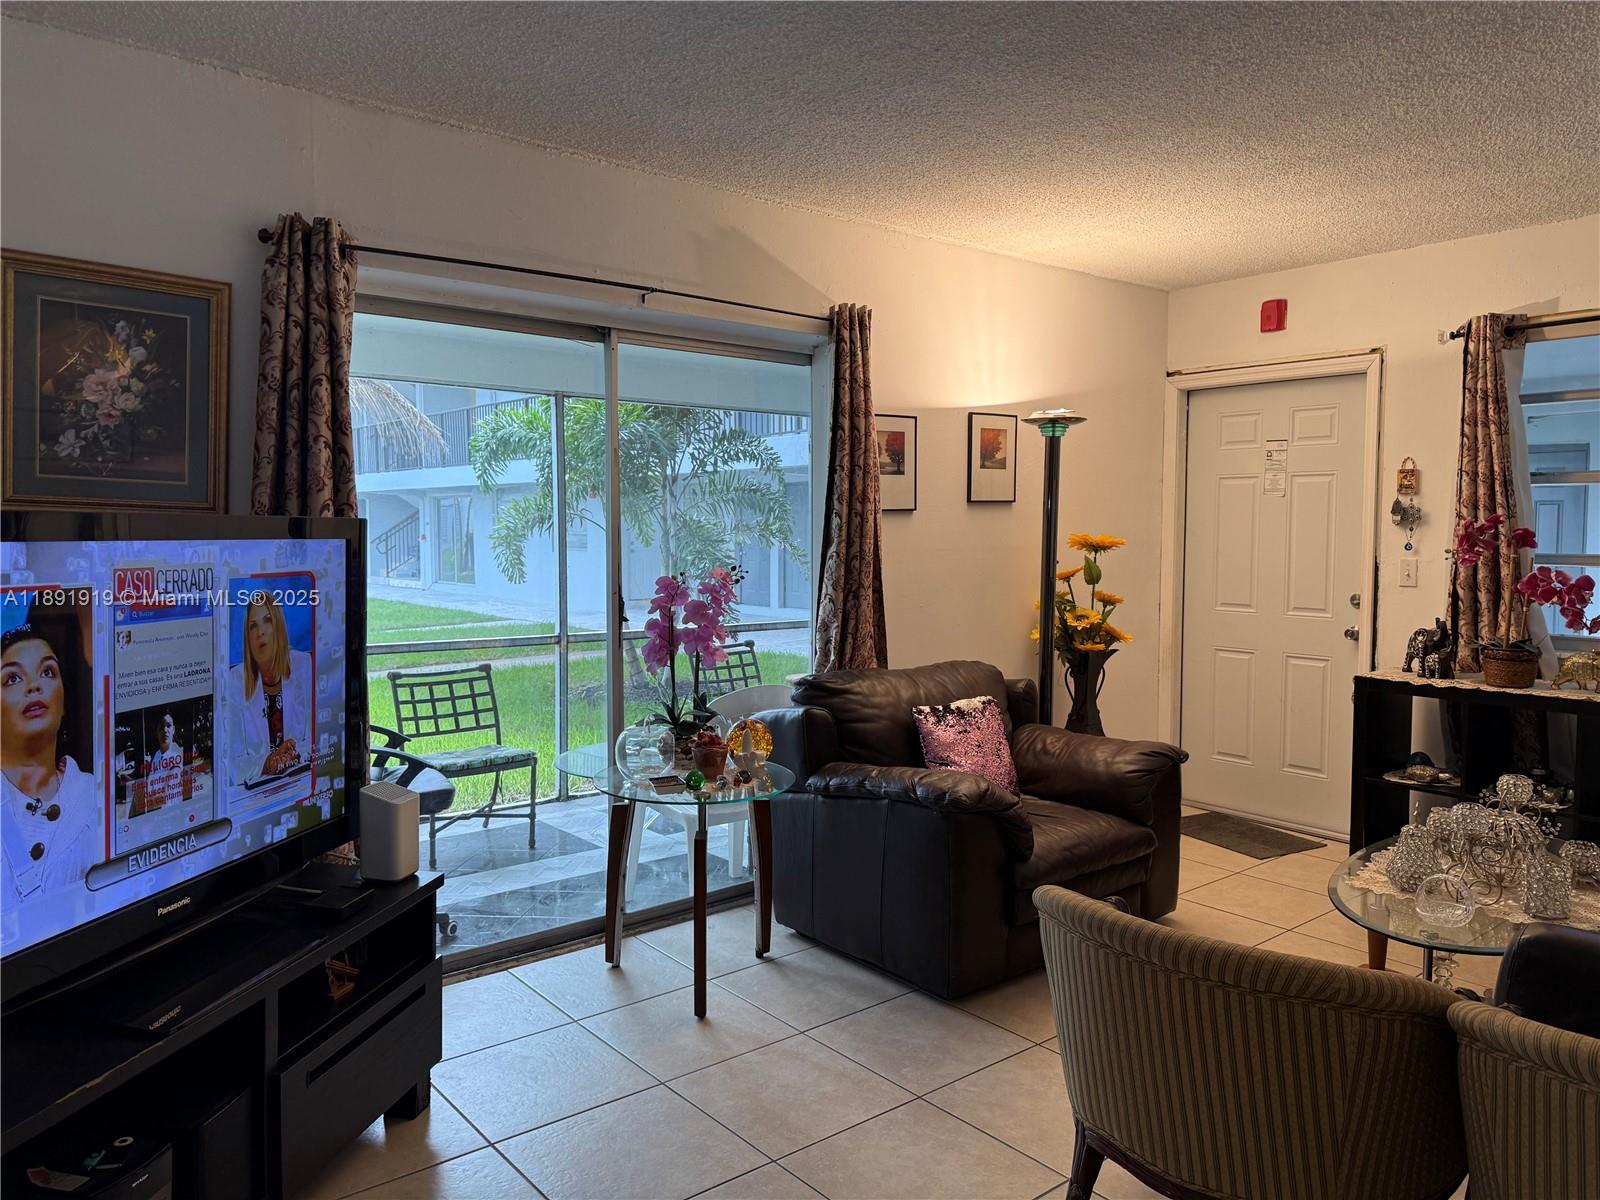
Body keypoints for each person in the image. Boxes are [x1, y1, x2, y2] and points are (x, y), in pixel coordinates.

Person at [2, 624, 100, 904]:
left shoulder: (96, 797)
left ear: (64, 701)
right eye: (12, 678)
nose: (34, 685)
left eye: (47, 672)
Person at [230, 592, 313, 781]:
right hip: (258, 798)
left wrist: (292, 754)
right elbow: (232, 764)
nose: (260, 632)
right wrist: (267, 762)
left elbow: (322, 736)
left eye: (267, 620)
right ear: (248, 638)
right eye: (253, 626)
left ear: (278, 627)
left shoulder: (303, 665)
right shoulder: (235, 679)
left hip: (301, 785)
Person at [133, 711, 185, 815]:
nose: (165, 730)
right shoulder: (157, 754)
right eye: (161, 727)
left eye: (168, 726)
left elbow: (166, 794)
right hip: (155, 812)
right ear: (157, 733)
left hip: (168, 813)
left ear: (173, 730)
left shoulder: (176, 753)